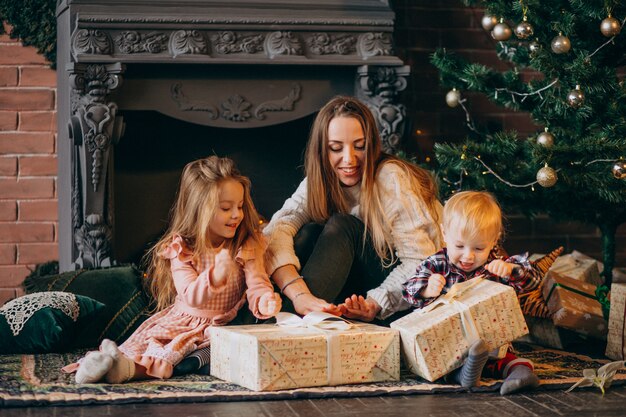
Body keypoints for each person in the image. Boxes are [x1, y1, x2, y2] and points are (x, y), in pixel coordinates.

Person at [68, 156, 281, 383]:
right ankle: (110, 363)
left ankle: (122, 369)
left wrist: (265, 299)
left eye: (239, 206)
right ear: (198, 210)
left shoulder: (245, 244)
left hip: (221, 328)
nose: (237, 215)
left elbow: (257, 282)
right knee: (158, 350)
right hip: (184, 322)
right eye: (226, 208)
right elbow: (191, 295)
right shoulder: (182, 248)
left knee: (184, 359)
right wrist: (215, 276)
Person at [263, 95, 443, 321]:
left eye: (360, 146)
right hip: (352, 292)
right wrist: (298, 292)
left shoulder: (391, 178)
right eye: (336, 148)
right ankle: (290, 312)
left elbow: (421, 260)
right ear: (322, 151)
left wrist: (375, 303)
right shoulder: (318, 181)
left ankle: (284, 325)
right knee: (307, 233)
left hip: (407, 293)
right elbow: (276, 230)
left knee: (343, 225)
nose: (349, 159)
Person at [402, 190, 542, 395]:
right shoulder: (436, 264)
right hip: (449, 344)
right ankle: (465, 374)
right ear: (444, 234)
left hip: (491, 341)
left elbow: (533, 282)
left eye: (478, 248)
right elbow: (407, 290)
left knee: (506, 359)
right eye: (459, 246)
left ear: (494, 241)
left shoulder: (497, 263)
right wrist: (425, 289)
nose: (468, 256)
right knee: (441, 365)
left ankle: (520, 374)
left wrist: (512, 270)